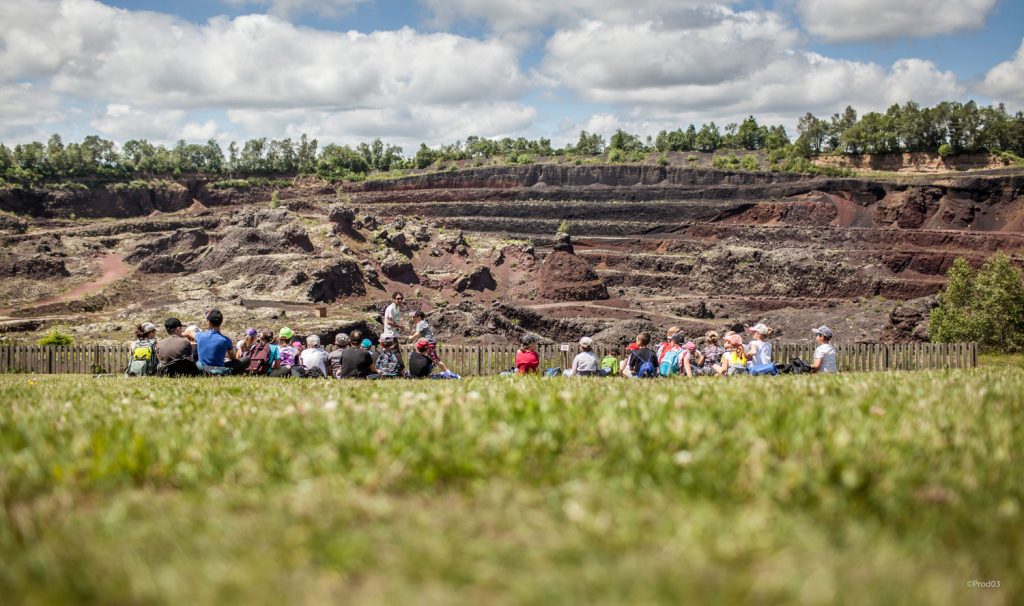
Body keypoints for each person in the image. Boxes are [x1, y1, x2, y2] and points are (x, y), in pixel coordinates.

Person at [195, 309, 248, 375]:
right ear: (221, 321)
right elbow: (233, 358)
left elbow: (188, 332)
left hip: (203, 369)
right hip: (219, 369)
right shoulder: (226, 340)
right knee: (246, 360)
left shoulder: (199, 335)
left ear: (209, 322)